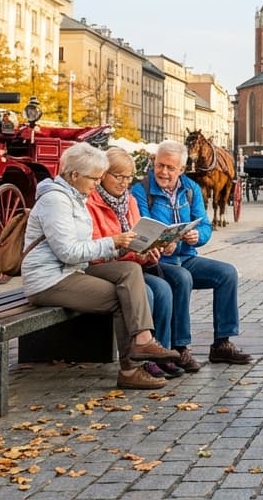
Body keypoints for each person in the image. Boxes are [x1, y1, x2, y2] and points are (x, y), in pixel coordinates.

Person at [21, 142, 181, 390]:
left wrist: (129, 248)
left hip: (70, 270)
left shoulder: (75, 197)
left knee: (130, 271)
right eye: (94, 178)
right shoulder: (56, 201)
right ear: (74, 175)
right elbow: (69, 252)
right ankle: (130, 370)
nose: (96, 183)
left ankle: (143, 339)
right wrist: (113, 243)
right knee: (123, 297)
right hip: (50, 279)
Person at [130, 140, 253, 369]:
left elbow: (205, 225)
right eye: (160, 165)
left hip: (186, 257)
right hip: (158, 262)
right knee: (182, 278)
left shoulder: (191, 189)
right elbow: (142, 230)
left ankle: (222, 343)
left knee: (227, 273)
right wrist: (163, 244)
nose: (163, 172)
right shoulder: (141, 190)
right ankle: (180, 347)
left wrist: (198, 235)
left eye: (170, 168)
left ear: (182, 170)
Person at [87, 147, 183, 379]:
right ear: (103, 175)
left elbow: (138, 235)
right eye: (118, 176)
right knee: (148, 293)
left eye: (128, 177)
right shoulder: (92, 201)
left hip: (129, 264)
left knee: (163, 290)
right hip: (100, 267)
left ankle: (159, 353)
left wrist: (150, 248)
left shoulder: (129, 201)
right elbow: (93, 249)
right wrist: (124, 247)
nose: (123, 182)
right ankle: (138, 358)